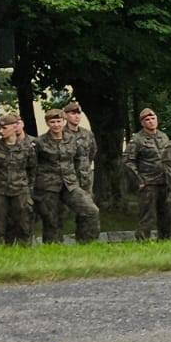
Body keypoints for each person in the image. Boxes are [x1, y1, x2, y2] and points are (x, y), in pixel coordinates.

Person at [33, 108, 101, 243]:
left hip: (70, 184)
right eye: (52, 122)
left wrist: (75, 177)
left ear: (63, 122)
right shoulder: (39, 142)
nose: (56, 125)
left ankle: (87, 243)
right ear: (47, 123)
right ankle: (53, 248)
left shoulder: (71, 139)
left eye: (59, 121)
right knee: (52, 220)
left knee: (90, 210)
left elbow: (78, 159)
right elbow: (32, 164)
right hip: (48, 186)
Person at [0, 112, 36, 245]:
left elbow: (32, 168)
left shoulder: (27, 148)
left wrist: (27, 186)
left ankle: (24, 251)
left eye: (4, 128)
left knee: (24, 224)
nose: (1, 131)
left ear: (15, 127)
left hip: (20, 190)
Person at [123, 108, 171, 240]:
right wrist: (139, 180)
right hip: (148, 183)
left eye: (153, 118)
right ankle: (142, 241)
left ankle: (165, 241)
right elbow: (128, 161)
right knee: (147, 216)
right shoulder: (137, 140)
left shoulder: (163, 137)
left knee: (166, 214)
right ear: (142, 123)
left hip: (165, 182)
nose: (151, 121)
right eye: (147, 120)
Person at [62, 101, 99, 240]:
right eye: (73, 113)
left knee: (86, 212)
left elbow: (92, 153)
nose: (76, 116)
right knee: (62, 214)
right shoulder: (61, 133)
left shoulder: (87, 134)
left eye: (78, 113)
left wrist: (85, 169)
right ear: (65, 116)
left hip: (85, 179)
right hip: (68, 181)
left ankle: (85, 240)